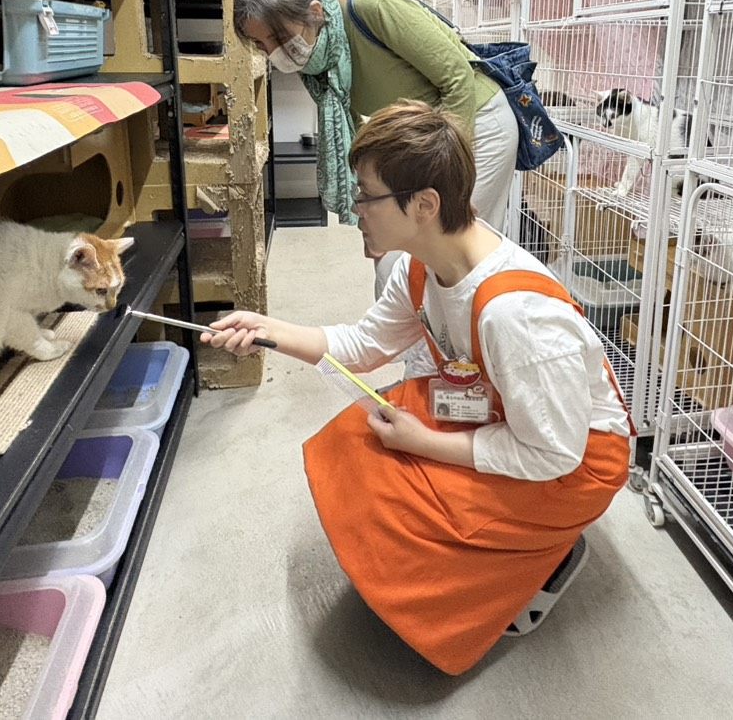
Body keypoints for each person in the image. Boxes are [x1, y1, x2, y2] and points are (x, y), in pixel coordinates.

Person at [202, 102, 633, 675]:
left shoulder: (516, 316)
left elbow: (554, 452)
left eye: (367, 196)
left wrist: (424, 443)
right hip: (504, 412)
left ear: (424, 205)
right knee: (359, 442)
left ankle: (539, 555)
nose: (355, 209)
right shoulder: (420, 267)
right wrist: (268, 330)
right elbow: (363, 346)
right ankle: (501, 554)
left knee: (405, 506)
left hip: (574, 464)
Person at [233, 0, 518, 290]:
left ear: (315, 12)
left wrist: (452, 181)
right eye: (261, 44)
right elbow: (357, 138)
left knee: (454, 258)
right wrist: (370, 221)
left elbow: (458, 79)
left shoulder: (371, 6)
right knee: (395, 265)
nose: (273, 52)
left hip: (475, 125)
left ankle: (468, 322)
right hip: (422, 142)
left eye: (278, 37)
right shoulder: (318, 62)